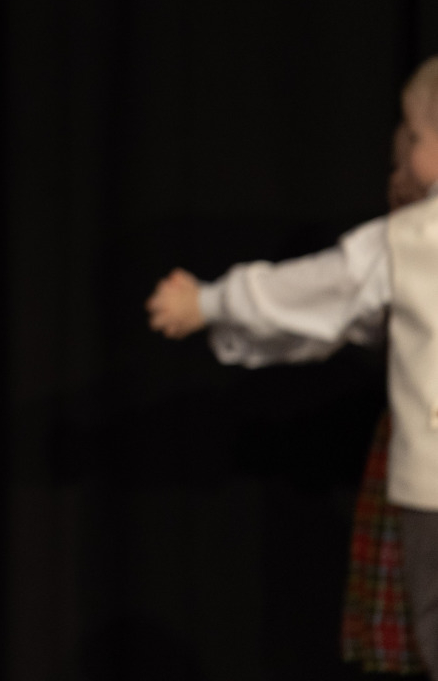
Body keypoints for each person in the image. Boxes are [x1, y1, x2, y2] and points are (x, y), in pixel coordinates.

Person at [146, 55, 438, 676]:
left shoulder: (412, 239)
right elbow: (337, 315)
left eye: (413, 135)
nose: (404, 147)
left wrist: (209, 301)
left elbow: (315, 290)